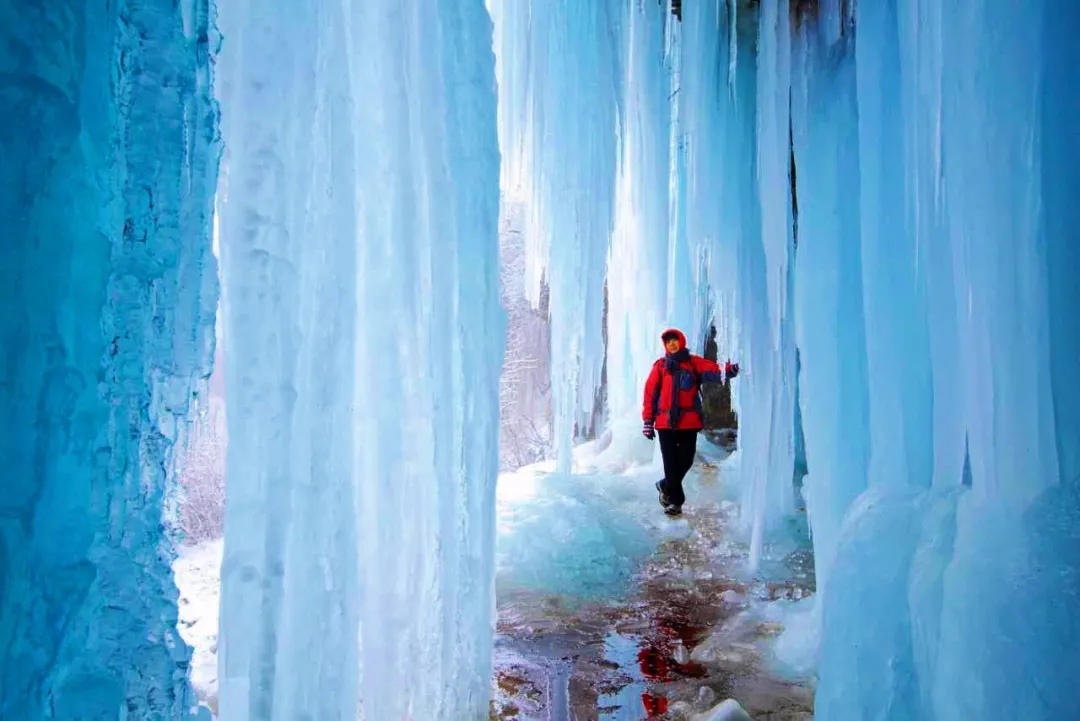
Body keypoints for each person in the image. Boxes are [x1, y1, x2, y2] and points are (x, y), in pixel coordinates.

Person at [641, 328, 739, 516]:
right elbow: (650, 394)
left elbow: (714, 370)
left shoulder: (694, 363)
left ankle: (664, 485)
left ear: (681, 341)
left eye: (674, 340)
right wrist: (647, 420)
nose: (672, 344)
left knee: (685, 460)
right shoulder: (660, 367)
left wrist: (729, 370)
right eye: (668, 341)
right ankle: (675, 503)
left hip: (689, 422)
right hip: (665, 423)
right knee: (670, 463)